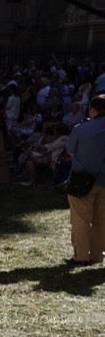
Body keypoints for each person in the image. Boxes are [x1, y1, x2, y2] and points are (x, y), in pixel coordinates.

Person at [64, 94, 105, 264]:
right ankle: (97, 256)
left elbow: (70, 151)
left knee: (81, 219)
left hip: (82, 180)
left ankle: (81, 257)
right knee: (102, 220)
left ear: (93, 110)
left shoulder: (81, 129)